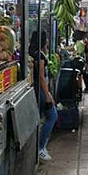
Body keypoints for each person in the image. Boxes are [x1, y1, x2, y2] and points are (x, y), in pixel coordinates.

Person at [29, 30, 57, 161]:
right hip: (41, 90)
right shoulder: (39, 56)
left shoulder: (33, 53)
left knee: (40, 118)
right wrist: (47, 95)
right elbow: (40, 77)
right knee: (52, 116)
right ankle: (40, 148)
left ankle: (39, 147)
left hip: (38, 89)